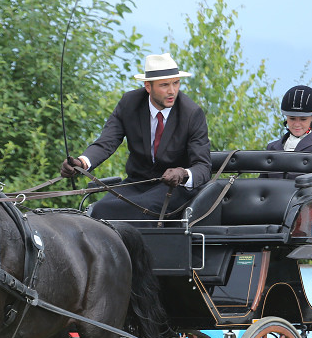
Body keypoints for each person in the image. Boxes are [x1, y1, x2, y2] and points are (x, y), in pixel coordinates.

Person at [60, 53, 211, 224]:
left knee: (140, 210)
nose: (172, 91)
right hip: (136, 184)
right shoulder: (129, 103)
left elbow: (203, 167)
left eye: (176, 83)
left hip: (175, 188)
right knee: (98, 211)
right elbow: (106, 142)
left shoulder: (192, 113)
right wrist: (81, 163)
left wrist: (182, 173)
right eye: (164, 85)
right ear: (148, 86)